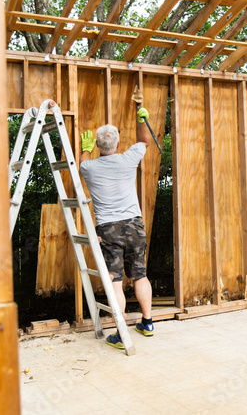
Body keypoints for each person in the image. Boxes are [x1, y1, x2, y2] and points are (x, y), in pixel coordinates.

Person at [79, 107, 154, 349]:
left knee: (115, 281)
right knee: (140, 275)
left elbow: (80, 163)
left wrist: (86, 148)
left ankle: (121, 334)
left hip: (108, 230)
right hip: (134, 225)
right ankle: (147, 322)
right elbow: (145, 140)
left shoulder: (89, 167)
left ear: (99, 145)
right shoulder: (128, 158)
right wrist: (141, 119)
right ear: (119, 143)